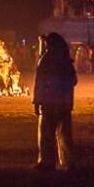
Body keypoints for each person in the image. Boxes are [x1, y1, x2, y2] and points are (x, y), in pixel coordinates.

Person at [33, 32, 77, 171]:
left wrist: (37, 101)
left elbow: (39, 82)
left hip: (49, 102)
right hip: (64, 103)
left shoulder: (46, 60)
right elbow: (73, 80)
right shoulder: (65, 60)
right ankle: (67, 161)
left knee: (46, 134)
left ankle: (47, 161)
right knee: (64, 134)